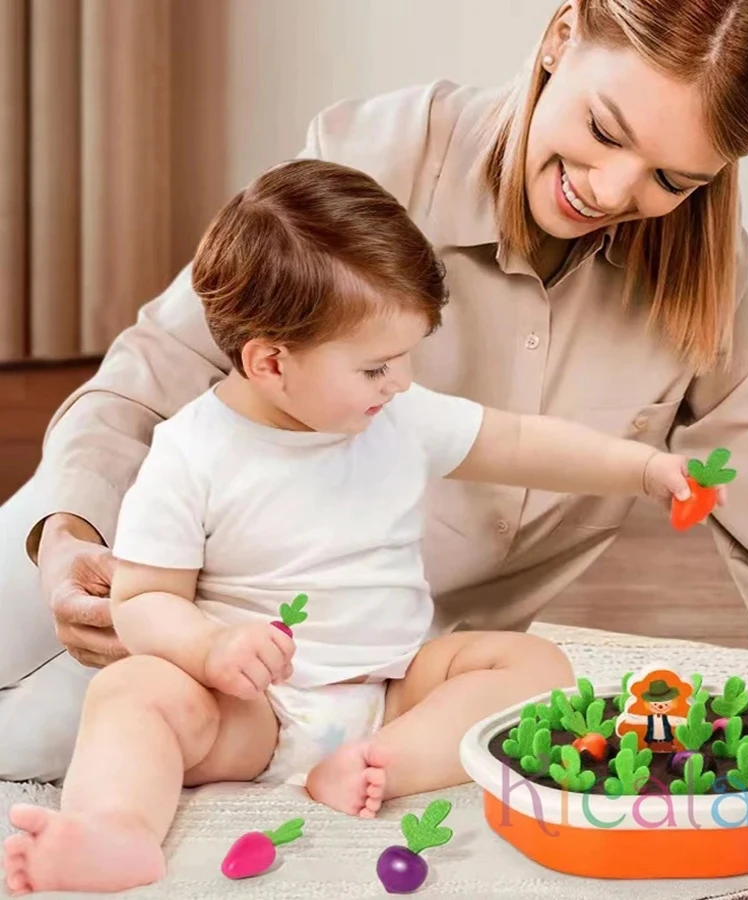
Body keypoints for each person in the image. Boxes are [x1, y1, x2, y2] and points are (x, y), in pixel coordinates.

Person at [0, 0, 748, 800]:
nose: (615, 191)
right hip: (165, 577)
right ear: (560, 36)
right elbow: (164, 362)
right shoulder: (378, 157)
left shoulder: (703, 283)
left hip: (370, 666)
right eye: (606, 129)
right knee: (43, 698)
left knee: (65, 738)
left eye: (674, 180)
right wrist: (69, 528)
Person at [1, 157, 709, 895]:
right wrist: (210, 650)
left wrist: (640, 467)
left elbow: (520, 443)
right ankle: (115, 832)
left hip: (392, 686)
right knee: (133, 690)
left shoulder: (400, 415)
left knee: (539, 669)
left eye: (406, 359)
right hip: (253, 711)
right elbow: (142, 602)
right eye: (376, 368)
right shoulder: (190, 454)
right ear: (271, 363)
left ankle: (381, 763)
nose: (400, 381)